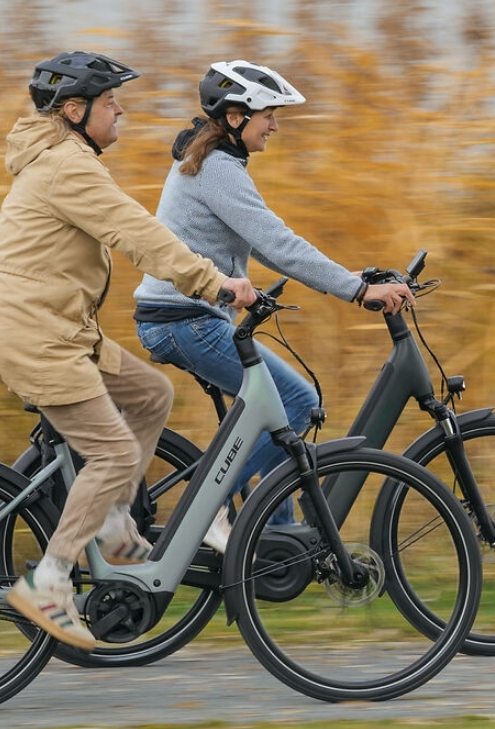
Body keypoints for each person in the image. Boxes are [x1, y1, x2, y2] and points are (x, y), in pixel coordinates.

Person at [0, 50, 258, 650]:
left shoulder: (63, 158)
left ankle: (114, 526)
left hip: (59, 329)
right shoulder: (66, 167)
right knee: (112, 452)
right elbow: (138, 233)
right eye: (110, 102)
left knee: (151, 394)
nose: (120, 110)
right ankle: (50, 580)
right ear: (75, 112)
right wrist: (213, 282)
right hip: (36, 337)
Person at [132, 60, 412, 554]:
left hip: (185, 318)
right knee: (298, 402)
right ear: (236, 117)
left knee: (274, 415)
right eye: (268, 116)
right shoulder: (218, 169)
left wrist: (352, 276)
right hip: (186, 321)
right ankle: (210, 509)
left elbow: (261, 245)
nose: (275, 126)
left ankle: (274, 542)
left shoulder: (213, 161)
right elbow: (279, 245)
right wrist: (355, 291)